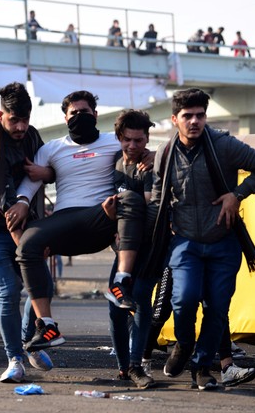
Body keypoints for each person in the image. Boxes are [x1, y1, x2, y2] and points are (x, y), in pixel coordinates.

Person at [145, 88, 255, 390]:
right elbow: (156, 198)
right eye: (187, 116)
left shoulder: (224, 145)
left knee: (218, 308)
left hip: (223, 242)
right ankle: (184, 343)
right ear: (174, 119)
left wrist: (237, 194)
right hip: (185, 243)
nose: (194, 121)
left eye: (200, 116)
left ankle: (202, 368)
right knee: (185, 299)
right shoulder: (164, 154)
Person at [9, 90, 148, 353]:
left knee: (129, 198)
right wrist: (22, 202)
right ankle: (47, 327)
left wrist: (150, 156)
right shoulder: (52, 148)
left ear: (95, 115)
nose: (79, 117)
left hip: (102, 216)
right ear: (65, 117)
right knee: (26, 245)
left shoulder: (113, 141)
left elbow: (136, 147)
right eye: (74, 113)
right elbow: (30, 183)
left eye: (85, 112)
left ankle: (121, 281)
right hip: (65, 220)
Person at [0, 82, 54, 383]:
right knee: (8, 290)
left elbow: (45, 175)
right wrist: (28, 240)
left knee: (43, 285)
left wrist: (40, 233)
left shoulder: (32, 136)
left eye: (25, 120)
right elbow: (5, 205)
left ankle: (29, 341)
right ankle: (15, 358)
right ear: (0, 114)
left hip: (24, 221)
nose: (20, 127)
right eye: (13, 120)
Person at [107, 109, 158, 389]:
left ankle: (138, 366)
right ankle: (124, 367)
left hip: (150, 246)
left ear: (147, 138)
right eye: (128, 140)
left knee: (139, 299)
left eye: (140, 141)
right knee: (115, 306)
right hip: (122, 249)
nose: (134, 146)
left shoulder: (151, 165)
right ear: (119, 138)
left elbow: (150, 205)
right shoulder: (113, 161)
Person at [141, 267, 255, 387]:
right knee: (160, 313)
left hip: (208, 261)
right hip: (178, 260)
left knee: (217, 310)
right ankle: (143, 361)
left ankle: (226, 367)